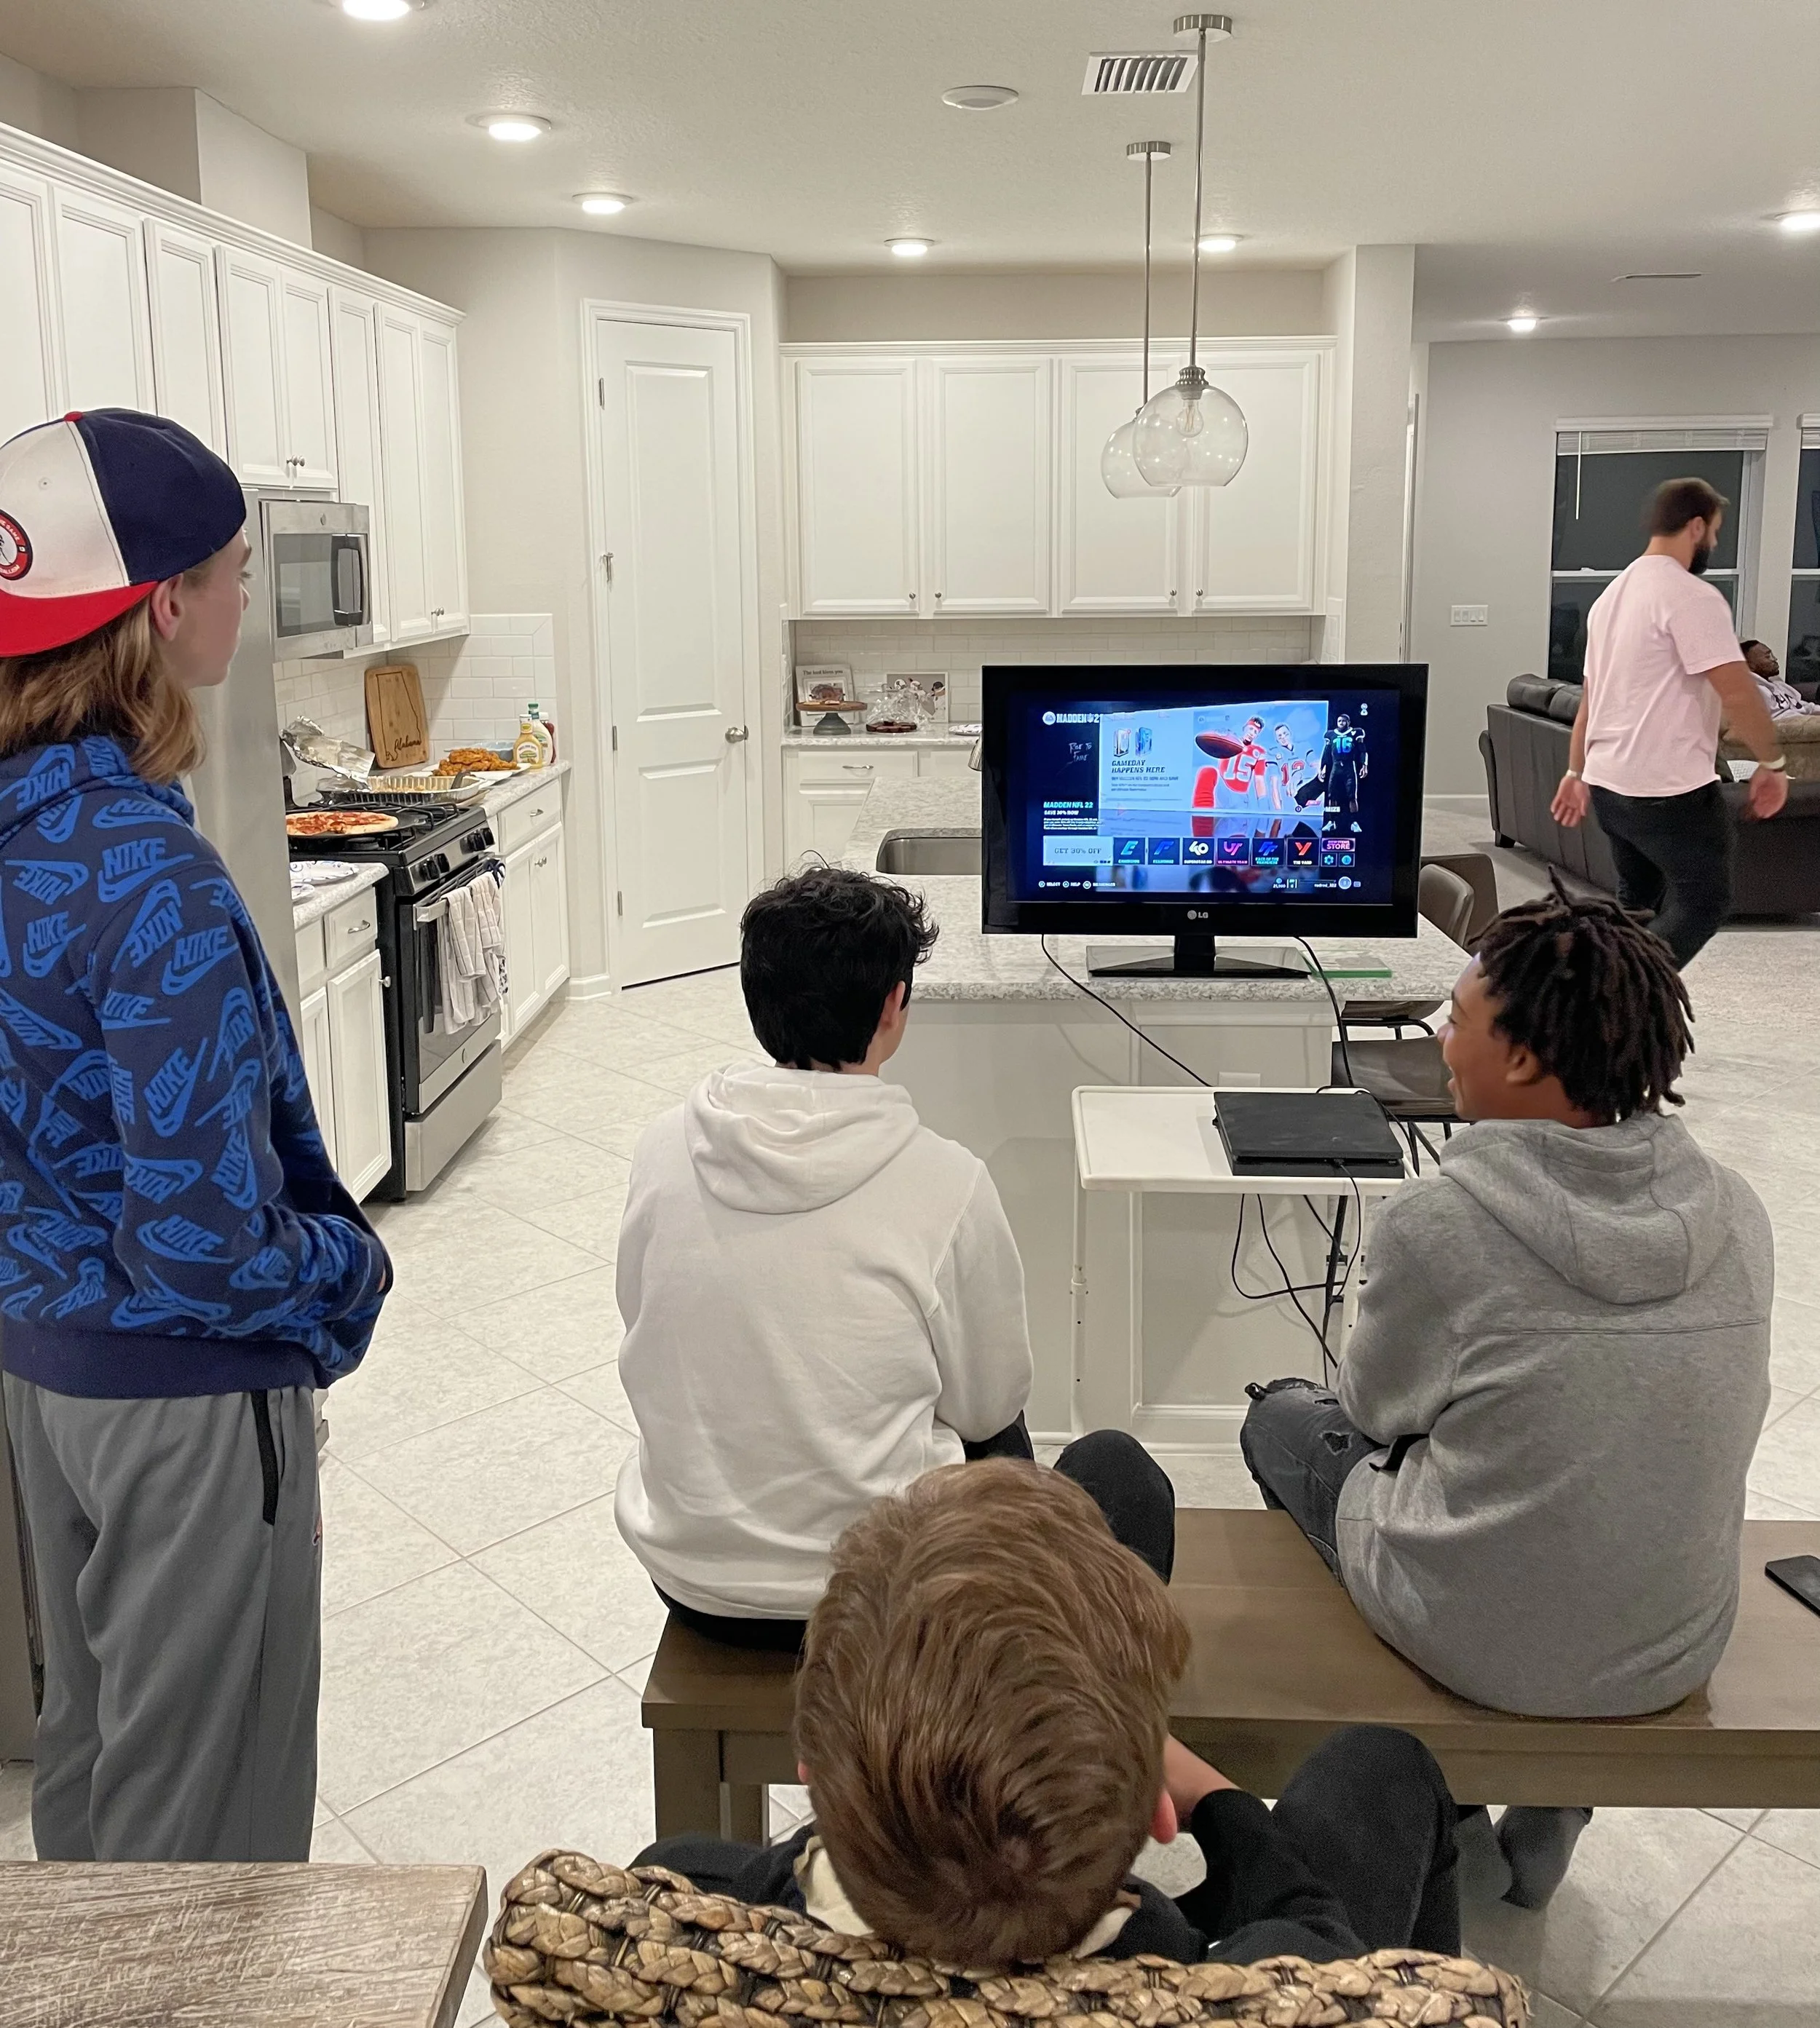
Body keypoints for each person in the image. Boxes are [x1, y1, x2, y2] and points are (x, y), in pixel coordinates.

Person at [0, 409, 392, 1862]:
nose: (241, 596)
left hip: (46, 1376)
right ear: (164, 606)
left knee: (96, 1762)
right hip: (182, 1395)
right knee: (205, 1829)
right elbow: (200, 1238)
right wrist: (349, 1272)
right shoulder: (142, 872)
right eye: (232, 569)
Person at [1241, 884, 1771, 1903]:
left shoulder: (1440, 1217)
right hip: (1675, 1639)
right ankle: (1554, 1803)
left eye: (1459, 1021)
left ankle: (1432, 1794)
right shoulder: (1740, 1210)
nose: (1442, 1039)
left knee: (1282, 1417)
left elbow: (1373, 1408)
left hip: (1479, 1637)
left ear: (1523, 1058)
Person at [636, 1459, 1461, 1970]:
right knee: (1380, 1765)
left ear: (807, 1769)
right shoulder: (1220, 1970)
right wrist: (1217, 1798)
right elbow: (1315, 1932)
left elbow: (782, 1867)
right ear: (1152, 1815)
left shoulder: (690, 1899)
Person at [613, 866, 1037, 1651]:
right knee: (999, 1436)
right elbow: (988, 1405)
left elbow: (641, 1312)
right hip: (874, 1591)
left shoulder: (662, 1147)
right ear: (893, 1007)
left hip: (690, 1575)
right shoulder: (945, 1183)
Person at [1551, 477, 1787, 966]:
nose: (1716, 544)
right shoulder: (1689, 597)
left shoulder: (1610, 599)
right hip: (1667, 788)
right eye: (1716, 532)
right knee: (1705, 900)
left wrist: (1576, 773)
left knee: (1637, 904)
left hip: (1610, 786)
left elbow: (1592, 699)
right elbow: (1739, 691)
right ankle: (1627, 995)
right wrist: (1773, 761)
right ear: (1696, 526)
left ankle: (1611, 1015)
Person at [1740, 638, 1820, 717]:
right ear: (1749, 665)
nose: (1774, 659)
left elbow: (1805, 707)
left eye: (1772, 655)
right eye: (1768, 657)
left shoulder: (1780, 686)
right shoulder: (1755, 692)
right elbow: (1776, 721)